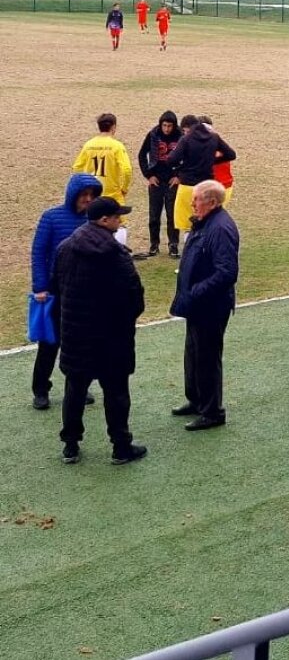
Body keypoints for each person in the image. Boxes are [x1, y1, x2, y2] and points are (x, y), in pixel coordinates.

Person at [53, 196, 147, 465]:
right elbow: (134, 297)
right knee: (116, 393)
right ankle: (121, 447)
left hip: (76, 335)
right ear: (104, 220)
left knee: (74, 391)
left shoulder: (65, 248)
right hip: (112, 339)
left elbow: (57, 288)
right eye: (117, 217)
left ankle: (70, 445)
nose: (121, 220)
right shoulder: (116, 254)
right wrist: (124, 323)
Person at [29, 173, 103, 410]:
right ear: (73, 195)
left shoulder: (93, 220)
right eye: (84, 195)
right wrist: (40, 286)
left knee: (82, 342)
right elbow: (39, 253)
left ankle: (79, 386)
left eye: (92, 195)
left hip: (84, 291)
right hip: (55, 290)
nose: (88, 199)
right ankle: (41, 389)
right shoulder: (51, 217)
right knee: (49, 343)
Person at [171, 180, 239, 430]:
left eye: (196, 198)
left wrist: (197, 290)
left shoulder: (220, 228)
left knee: (208, 358)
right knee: (193, 354)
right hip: (197, 305)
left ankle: (212, 412)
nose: (192, 202)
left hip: (210, 306)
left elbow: (227, 272)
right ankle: (197, 400)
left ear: (212, 202)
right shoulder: (205, 223)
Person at [170, 115, 237, 240]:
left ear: (186, 128)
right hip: (206, 187)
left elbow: (172, 160)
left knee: (188, 226)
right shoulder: (213, 138)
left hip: (187, 186)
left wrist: (182, 166)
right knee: (207, 222)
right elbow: (231, 154)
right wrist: (212, 160)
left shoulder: (186, 139)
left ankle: (191, 253)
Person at [137, 110, 182, 256]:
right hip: (156, 180)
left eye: (170, 126)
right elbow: (142, 154)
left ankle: (173, 245)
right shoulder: (153, 134)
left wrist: (179, 176)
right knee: (154, 215)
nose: (167, 129)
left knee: (172, 215)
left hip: (172, 180)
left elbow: (188, 157)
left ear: (174, 126)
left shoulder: (182, 136)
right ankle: (154, 244)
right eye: (164, 125)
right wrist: (148, 175)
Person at [73, 112, 133, 206]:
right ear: (113, 127)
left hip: (93, 196)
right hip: (112, 196)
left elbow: (77, 168)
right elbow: (127, 170)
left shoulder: (89, 145)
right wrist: (124, 188)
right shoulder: (117, 146)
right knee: (115, 220)